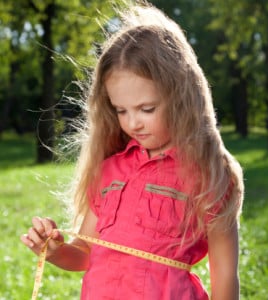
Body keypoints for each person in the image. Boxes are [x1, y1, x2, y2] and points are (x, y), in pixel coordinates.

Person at [20, 2, 244, 299]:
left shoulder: (209, 173)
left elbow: (225, 277)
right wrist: (55, 250)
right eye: (121, 110)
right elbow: (86, 253)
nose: (133, 123)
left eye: (146, 109)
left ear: (181, 97)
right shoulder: (110, 170)